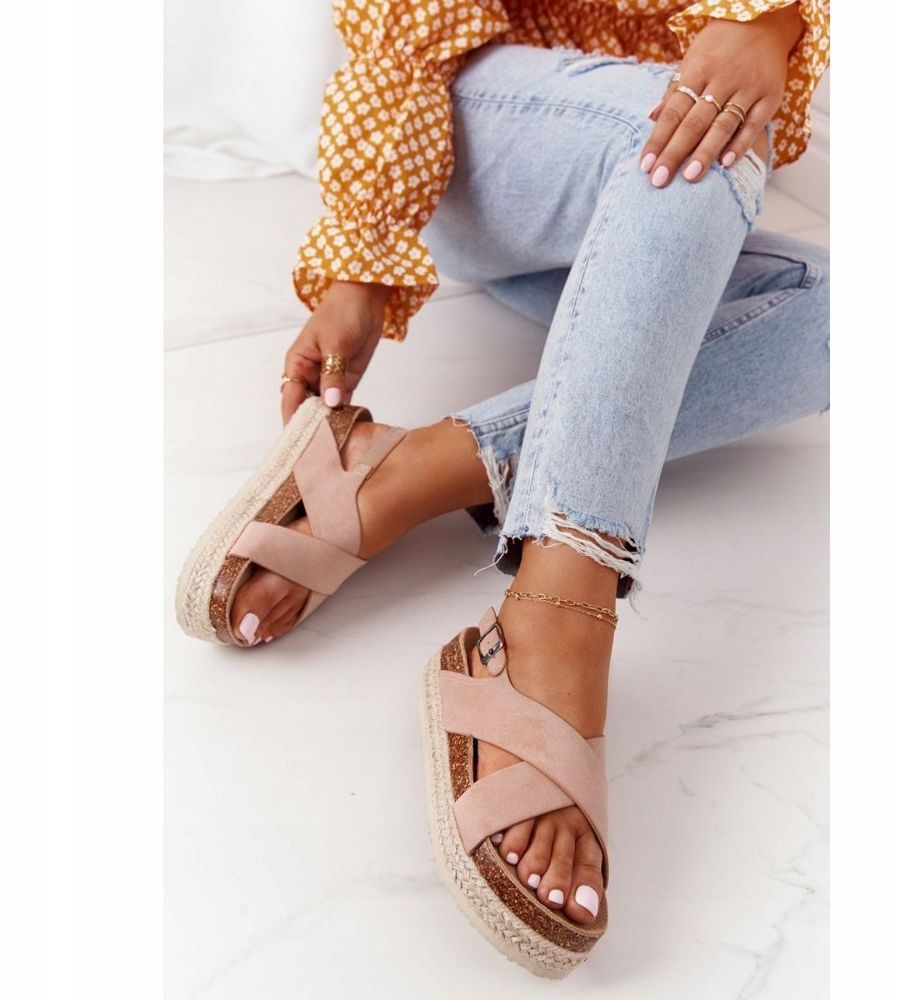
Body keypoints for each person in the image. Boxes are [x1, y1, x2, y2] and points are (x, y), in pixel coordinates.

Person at [176, 0, 830, 977]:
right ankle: (559, 608)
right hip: (481, 134)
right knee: (702, 136)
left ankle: (415, 469)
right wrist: (359, 264)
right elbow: (406, 27)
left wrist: (769, 27)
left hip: (652, 194)